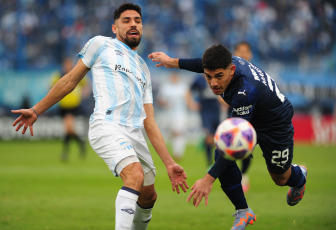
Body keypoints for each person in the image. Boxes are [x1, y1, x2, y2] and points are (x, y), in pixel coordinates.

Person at [11, 3, 189, 230]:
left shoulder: (144, 68)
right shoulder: (100, 44)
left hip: (135, 133)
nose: (133, 24)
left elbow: (149, 120)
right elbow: (69, 81)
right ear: (114, 28)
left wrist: (169, 162)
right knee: (134, 175)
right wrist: (36, 110)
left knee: (148, 196)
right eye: (126, 20)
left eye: (137, 20)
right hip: (107, 124)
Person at [148, 44, 308, 230]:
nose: (213, 83)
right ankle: (243, 211)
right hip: (251, 114)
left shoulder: (245, 90)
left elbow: (233, 139)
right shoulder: (224, 65)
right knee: (222, 150)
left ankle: (299, 176)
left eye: (219, 77)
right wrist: (173, 62)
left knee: (281, 178)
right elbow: (203, 64)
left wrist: (208, 179)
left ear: (231, 70)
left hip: (275, 123)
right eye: (208, 76)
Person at [50, 57, 89, 161]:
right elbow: (51, 87)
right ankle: (81, 143)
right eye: (66, 64)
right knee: (68, 130)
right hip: (63, 106)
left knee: (68, 129)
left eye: (69, 64)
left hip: (73, 105)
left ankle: (65, 153)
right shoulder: (58, 75)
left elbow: (86, 85)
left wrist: (84, 92)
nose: (67, 66)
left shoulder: (76, 74)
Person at [186, 74, 222, 168]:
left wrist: (224, 103)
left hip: (216, 110)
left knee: (217, 138)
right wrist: (190, 103)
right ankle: (210, 164)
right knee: (209, 137)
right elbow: (189, 90)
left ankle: (218, 163)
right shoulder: (199, 79)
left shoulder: (218, 76)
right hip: (205, 111)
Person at [233, 41, 253, 193]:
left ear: (250, 54)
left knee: (247, 149)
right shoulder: (230, 72)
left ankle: (244, 175)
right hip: (233, 115)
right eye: (240, 51)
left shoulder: (255, 73)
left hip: (251, 116)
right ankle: (233, 180)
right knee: (229, 148)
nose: (243, 54)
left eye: (245, 51)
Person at [156, 71, 188, 161]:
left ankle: (178, 153)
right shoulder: (165, 87)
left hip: (180, 114)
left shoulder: (183, 87)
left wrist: (194, 105)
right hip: (167, 114)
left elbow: (188, 99)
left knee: (178, 132)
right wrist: (165, 103)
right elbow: (160, 100)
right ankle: (166, 153)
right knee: (168, 134)